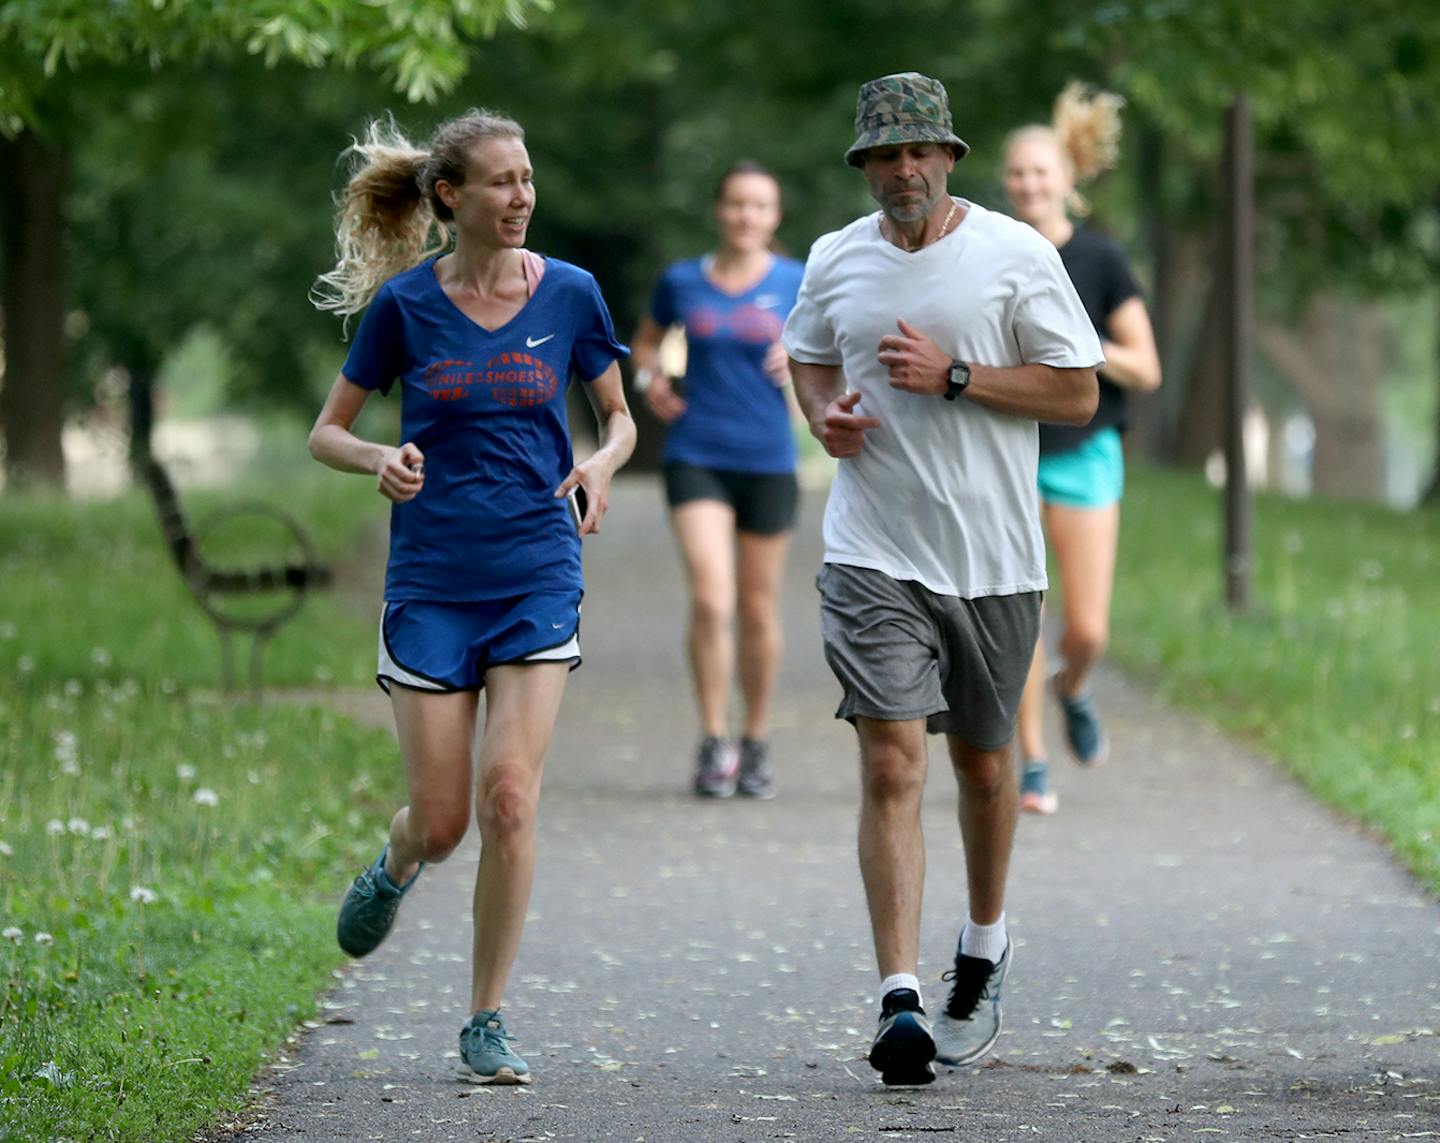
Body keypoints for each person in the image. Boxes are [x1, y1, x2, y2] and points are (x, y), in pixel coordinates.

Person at [782, 73, 1102, 1086]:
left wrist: (958, 376)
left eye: (920, 152)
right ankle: (899, 1002)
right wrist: (824, 414)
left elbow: (1079, 391)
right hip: (873, 550)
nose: (903, 169)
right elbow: (807, 358)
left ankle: (986, 942)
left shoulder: (1016, 253)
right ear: (866, 165)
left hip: (995, 561)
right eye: (885, 155)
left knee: (982, 767)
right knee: (889, 765)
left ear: (949, 159)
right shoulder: (835, 259)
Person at [307, 109, 635, 1085]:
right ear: (451, 197)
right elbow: (328, 431)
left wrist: (602, 464)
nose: (522, 196)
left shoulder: (571, 295)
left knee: (508, 799)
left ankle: (486, 1019)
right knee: (444, 818)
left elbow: (618, 421)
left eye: (528, 179)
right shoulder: (407, 307)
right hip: (433, 580)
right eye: (501, 181)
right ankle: (398, 860)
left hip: (537, 567)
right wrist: (379, 457)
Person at [1004, 85, 1162, 815]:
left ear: (1068, 177)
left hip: (1088, 450)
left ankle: (1075, 686)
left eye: (1042, 172)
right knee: (1023, 614)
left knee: (1088, 628)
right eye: (1018, 174)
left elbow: (1146, 366)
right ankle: (1033, 762)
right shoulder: (993, 254)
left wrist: (1082, 347)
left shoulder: (1101, 259)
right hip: (1010, 450)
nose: (1030, 185)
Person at [629, 162, 805, 799]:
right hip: (697, 450)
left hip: (768, 457)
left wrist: (804, 355)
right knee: (712, 599)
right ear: (719, 210)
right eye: (735, 204)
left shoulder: (798, 280)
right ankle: (713, 739)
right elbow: (645, 344)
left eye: (759, 206)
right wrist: (651, 381)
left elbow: (835, 349)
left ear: (774, 217)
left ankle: (755, 739)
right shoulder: (682, 280)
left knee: (758, 610)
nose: (746, 216)